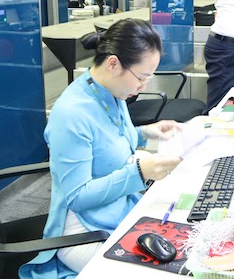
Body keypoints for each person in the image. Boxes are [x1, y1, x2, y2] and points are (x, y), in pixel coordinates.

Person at [20, 19, 182, 278]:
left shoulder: (109, 91)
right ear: (113, 64)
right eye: (141, 77)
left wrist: (144, 133)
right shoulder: (72, 114)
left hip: (114, 209)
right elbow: (78, 197)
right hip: (81, 230)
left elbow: (109, 140)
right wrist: (139, 173)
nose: (143, 86)